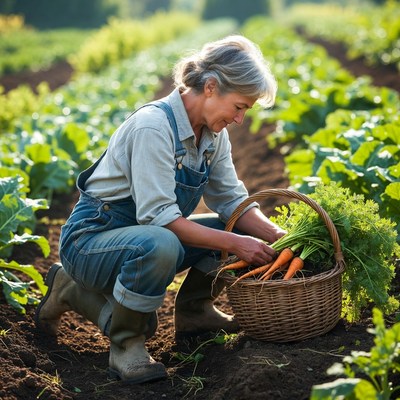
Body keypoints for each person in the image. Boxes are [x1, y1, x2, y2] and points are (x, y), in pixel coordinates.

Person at [35, 34, 286, 384]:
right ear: (211, 87)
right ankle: (123, 342)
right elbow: (159, 217)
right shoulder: (153, 126)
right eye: (240, 107)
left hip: (142, 236)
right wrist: (235, 245)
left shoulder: (214, 135)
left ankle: (195, 313)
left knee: (236, 227)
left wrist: (278, 236)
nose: (240, 119)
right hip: (91, 240)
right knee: (163, 247)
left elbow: (232, 201)